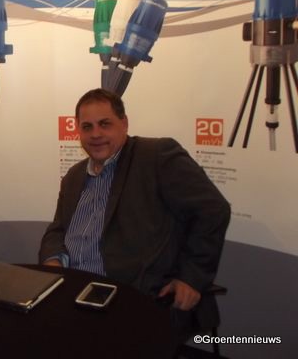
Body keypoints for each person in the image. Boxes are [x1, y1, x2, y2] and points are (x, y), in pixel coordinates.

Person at [39, 88, 230, 335]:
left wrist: (191, 277)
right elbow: (58, 229)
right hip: (73, 292)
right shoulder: (74, 176)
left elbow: (213, 210)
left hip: (132, 297)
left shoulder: (156, 157)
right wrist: (53, 261)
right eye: (87, 127)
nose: (95, 134)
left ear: (124, 123)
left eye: (104, 124)